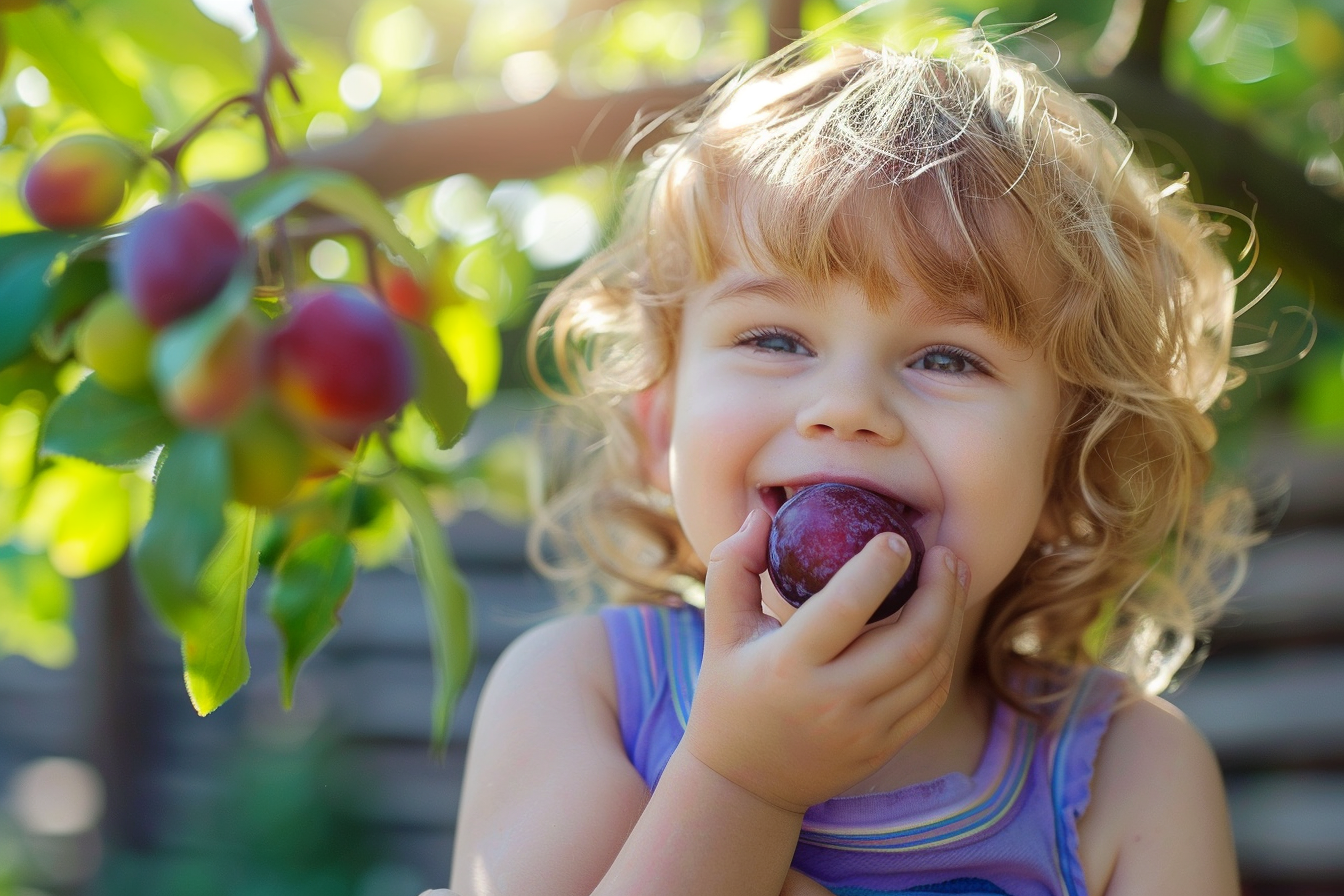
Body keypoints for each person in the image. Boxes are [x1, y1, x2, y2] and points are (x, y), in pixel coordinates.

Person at [449, 9, 1261, 895]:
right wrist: (742, 783)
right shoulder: (582, 694)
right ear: (660, 429)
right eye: (774, 338)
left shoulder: (1132, 777)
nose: (847, 408)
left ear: (1070, 470)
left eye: (947, 358)